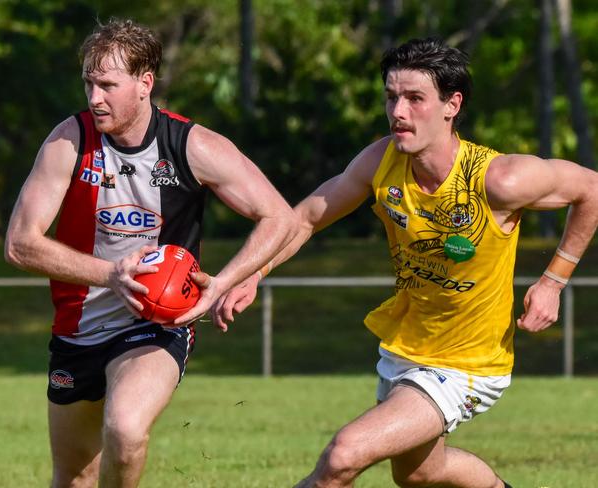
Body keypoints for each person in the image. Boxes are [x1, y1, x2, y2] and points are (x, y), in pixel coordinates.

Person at [213, 38, 598, 488]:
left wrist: (553, 281)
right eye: (392, 97)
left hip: (467, 364)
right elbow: (306, 218)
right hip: (405, 350)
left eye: (415, 99)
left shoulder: (500, 179)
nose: (398, 111)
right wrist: (254, 273)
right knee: (420, 475)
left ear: (452, 105)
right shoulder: (382, 160)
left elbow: (590, 190)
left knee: (344, 455)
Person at [4, 18, 297, 488]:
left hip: (154, 326)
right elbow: (20, 244)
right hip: (77, 329)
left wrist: (230, 278)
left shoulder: (192, 145)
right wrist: (110, 275)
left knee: (125, 428)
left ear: (145, 83)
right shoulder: (68, 141)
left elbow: (278, 217)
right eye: (88, 83)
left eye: (107, 85)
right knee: (74, 476)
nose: (94, 97)